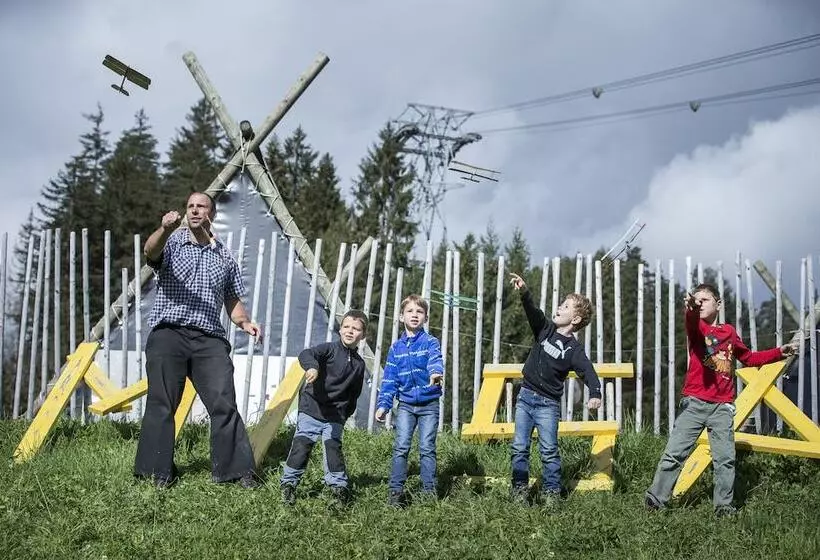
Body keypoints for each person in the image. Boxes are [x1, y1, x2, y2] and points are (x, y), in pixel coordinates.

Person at [134, 192, 260, 489]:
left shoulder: (225, 256)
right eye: (190, 206)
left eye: (200, 206)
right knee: (162, 402)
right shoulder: (173, 242)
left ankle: (235, 471)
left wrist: (244, 322)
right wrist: (165, 228)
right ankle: (157, 472)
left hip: (209, 338)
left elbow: (231, 299)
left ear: (211, 214)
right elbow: (150, 252)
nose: (193, 210)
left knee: (223, 401)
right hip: (169, 333)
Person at [645, 283, 797, 516]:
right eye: (696, 300)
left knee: (725, 459)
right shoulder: (697, 329)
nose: (700, 303)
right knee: (674, 454)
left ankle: (723, 508)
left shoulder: (729, 332)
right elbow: (690, 322)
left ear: (719, 304)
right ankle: (656, 500)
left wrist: (778, 352)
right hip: (694, 402)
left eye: (705, 300)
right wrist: (691, 310)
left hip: (722, 407)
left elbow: (749, 358)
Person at [508, 272, 602, 508]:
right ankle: (519, 491)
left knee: (549, 450)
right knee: (519, 447)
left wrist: (595, 393)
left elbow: (588, 372)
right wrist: (524, 292)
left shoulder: (574, 350)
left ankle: (552, 495)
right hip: (525, 398)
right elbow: (533, 312)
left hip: (548, 405)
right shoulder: (544, 330)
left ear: (576, 319)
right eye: (561, 304)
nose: (559, 307)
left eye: (566, 306)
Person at [280, 309, 368, 506]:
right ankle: (288, 484)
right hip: (312, 407)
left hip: (335, 415)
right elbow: (307, 353)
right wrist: (312, 366)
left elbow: (354, 393)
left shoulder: (359, 365)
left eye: (355, 329)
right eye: (346, 326)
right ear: (340, 329)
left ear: (363, 335)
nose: (350, 331)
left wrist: (345, 414)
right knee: (302, 445)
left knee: (333, 447)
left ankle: (338, 488)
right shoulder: (329, 350)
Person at [375, 294, 444, 507]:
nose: (415, 315)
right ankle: (396, 493)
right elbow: (390, 379)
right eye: (410, 311)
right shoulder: (396, 348)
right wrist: (383, 405)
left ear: (425, 318)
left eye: (419, 312)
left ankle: (428, 493)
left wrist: (435, 373)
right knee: (401, 447)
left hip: (428, 404)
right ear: (401, 316)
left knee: (426, 447)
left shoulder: (431, 342)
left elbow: (435, 359)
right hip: (405, 405)